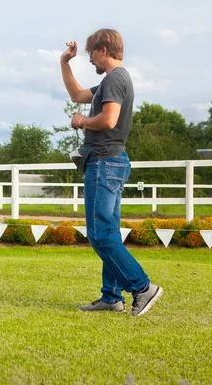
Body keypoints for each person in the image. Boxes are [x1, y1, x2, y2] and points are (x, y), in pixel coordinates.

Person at [60, 29, 163, 316]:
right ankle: (111, 297)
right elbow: (77, 94)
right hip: (110, 162)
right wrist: (64, 63)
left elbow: (109, 119)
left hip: (105, 162)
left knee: (100, 234)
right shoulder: (110, 81)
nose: (90, 58)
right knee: (109, 233)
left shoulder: (116, 78)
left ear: (104, 49)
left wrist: (81, 121)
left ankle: (143, 288)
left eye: (91, 52)